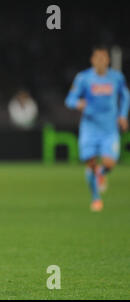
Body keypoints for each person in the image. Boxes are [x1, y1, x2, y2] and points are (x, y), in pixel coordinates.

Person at [65, 45, 129, 212]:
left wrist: (123, 115)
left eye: (103, 58)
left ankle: (102, 172)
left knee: (110, 163)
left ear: (108, 60)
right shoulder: (83, 78)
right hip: (90, 128)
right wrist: (78, 103)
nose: (100, 61)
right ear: (92, 60)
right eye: (97, 58)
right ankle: (96, 199)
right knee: (90, 163)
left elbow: (126, 96)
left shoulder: (117, 77)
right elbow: (69, 99)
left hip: (109, 129)